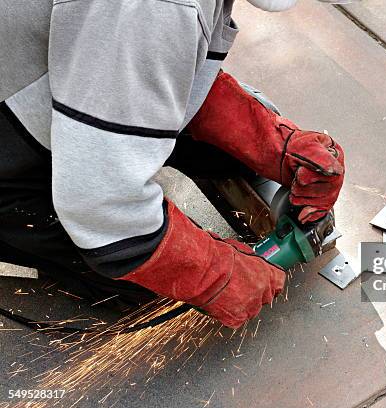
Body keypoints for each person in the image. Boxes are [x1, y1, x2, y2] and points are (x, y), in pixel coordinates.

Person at [0, 0, 344, 329]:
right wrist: (215, 276)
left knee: (239, 140)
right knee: (147, 280)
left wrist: (269, 141)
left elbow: (156, 61)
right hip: (10, 144)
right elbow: (101, 206)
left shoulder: (157, 14)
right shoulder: (155, 8)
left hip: (54, 71)